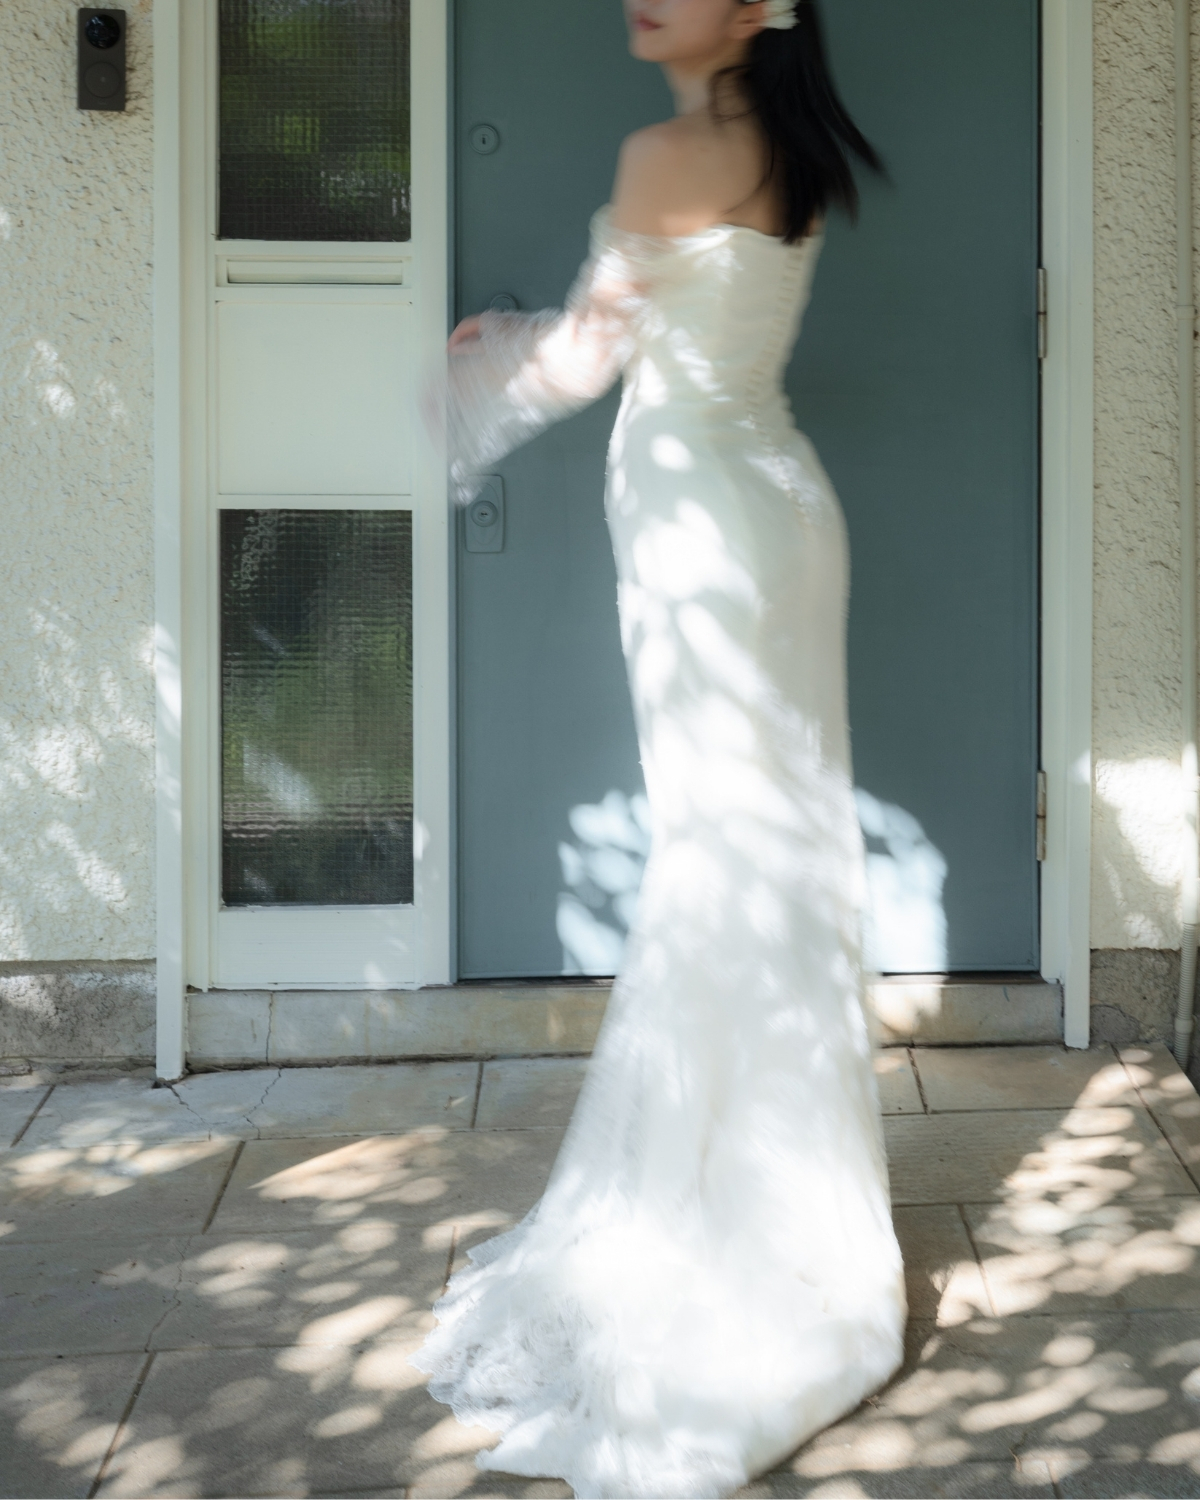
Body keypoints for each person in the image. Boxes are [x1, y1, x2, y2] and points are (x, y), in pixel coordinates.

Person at [411, 2, 906, 1494]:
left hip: (701, 530)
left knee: (720, 867)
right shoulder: (791, 144)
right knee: (775, 863)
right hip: (781, 509)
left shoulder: (668, 153)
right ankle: (794, 1214)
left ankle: (727, 1236)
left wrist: (477, 364)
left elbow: (585, 360)